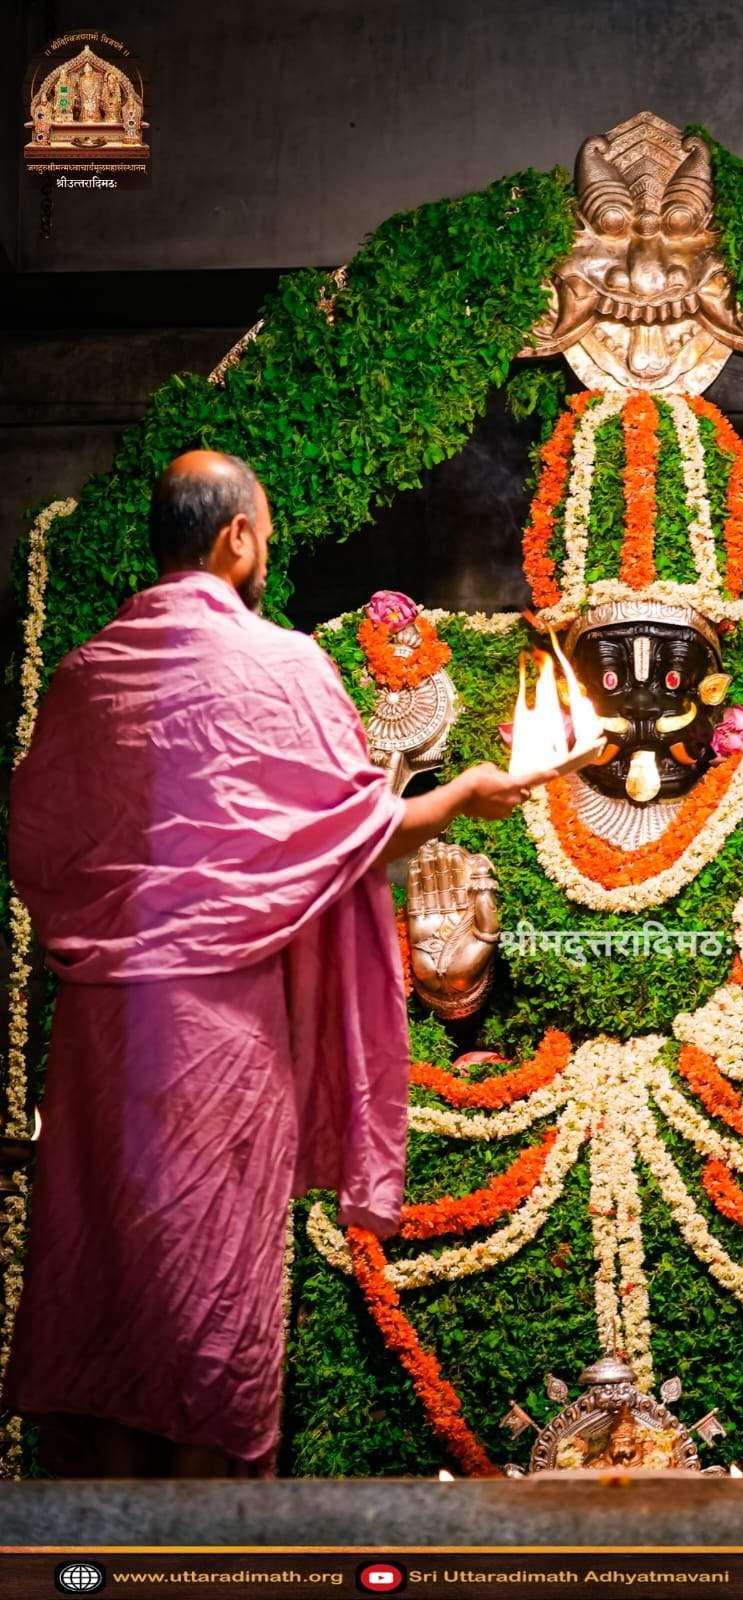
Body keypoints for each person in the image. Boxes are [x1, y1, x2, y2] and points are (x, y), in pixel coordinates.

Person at [2, 450, 552, 1478]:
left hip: (99, 1040)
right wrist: (464, 795)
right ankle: (214, 1564)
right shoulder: (282, 666)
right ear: (237, 539)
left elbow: (36, 843)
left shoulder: (87, 676)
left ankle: (98, 1560)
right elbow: (360, 835)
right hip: (218, 1037)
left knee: (108, 1292)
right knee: (211, 1302)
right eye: (265, 529)